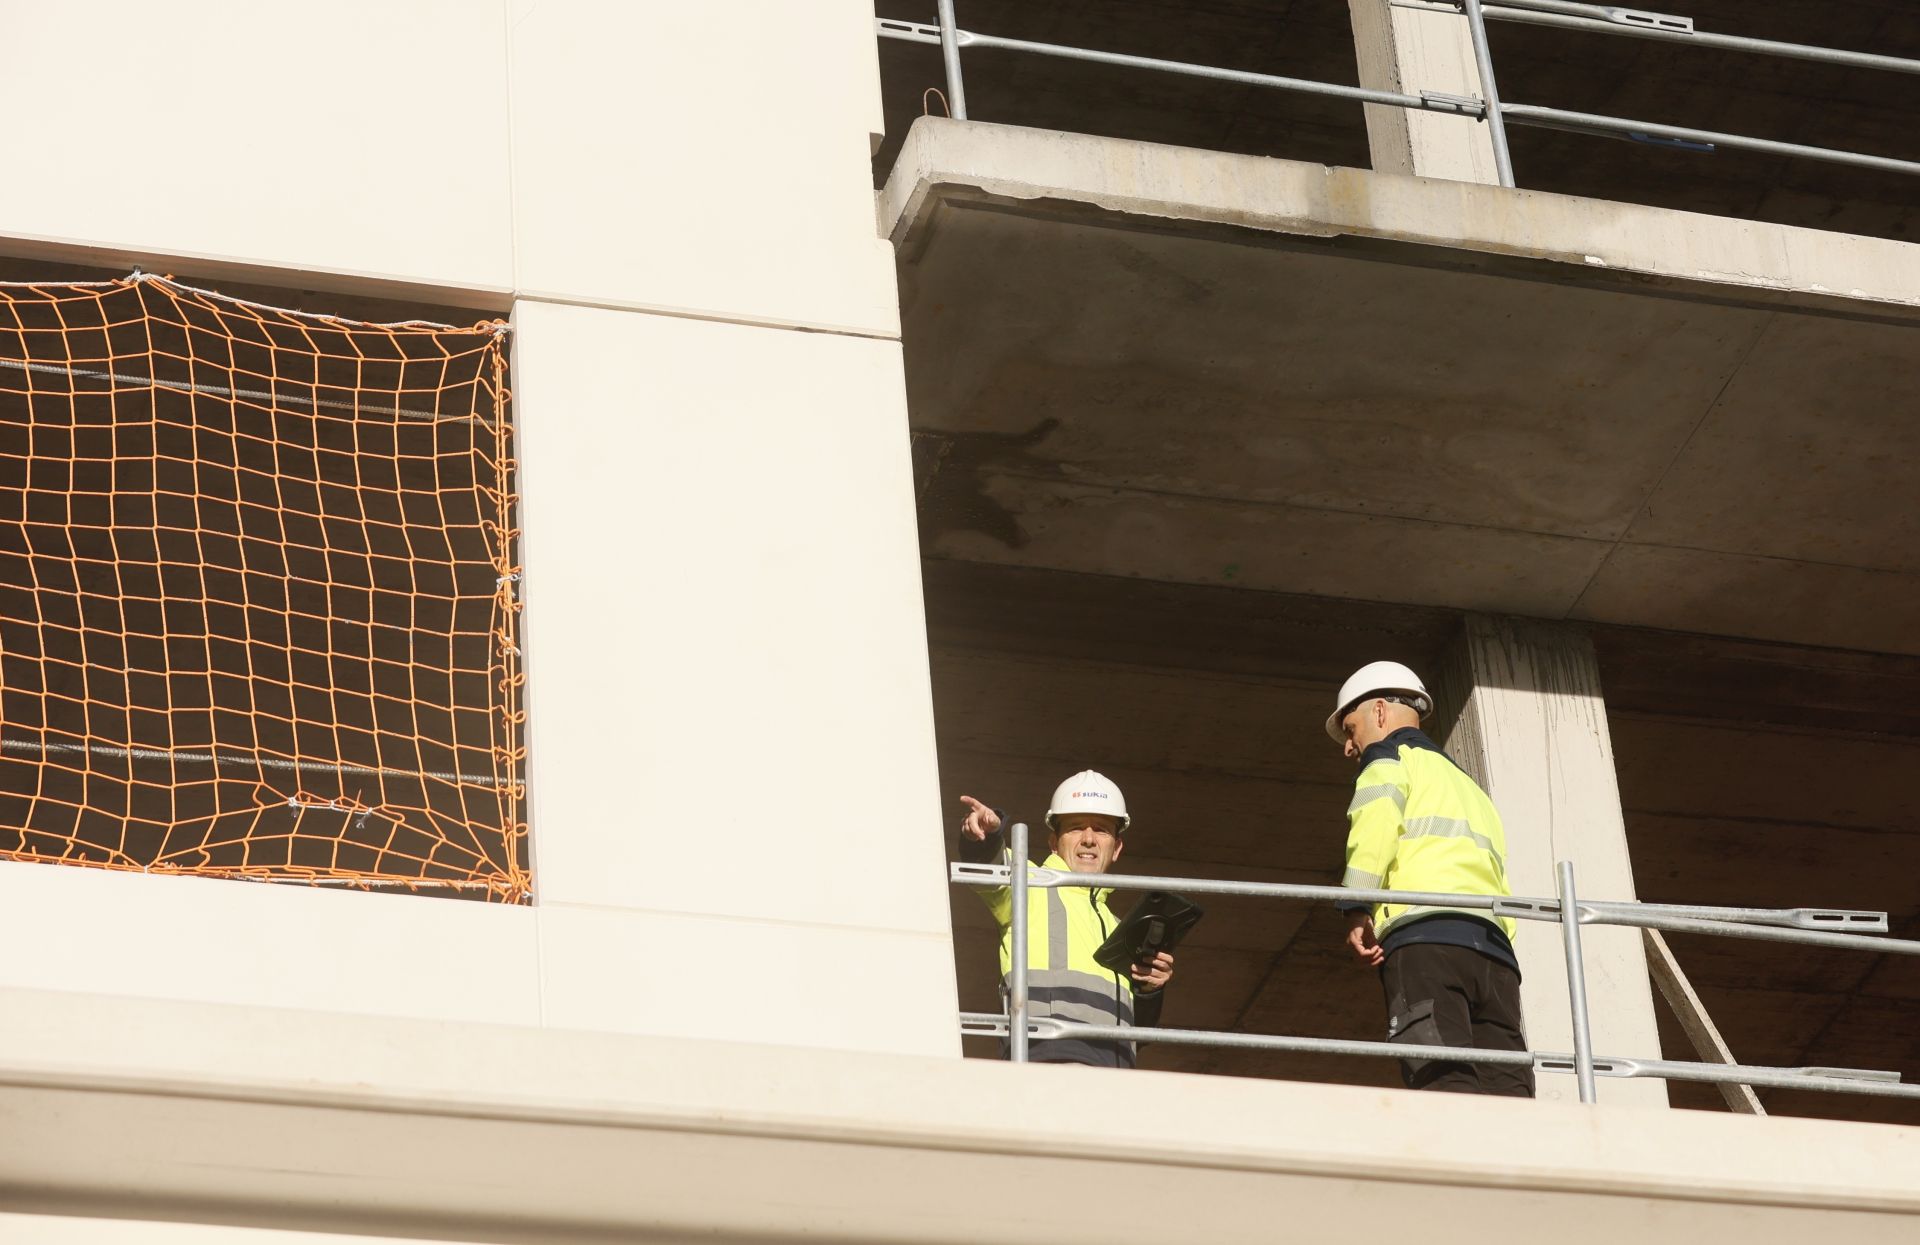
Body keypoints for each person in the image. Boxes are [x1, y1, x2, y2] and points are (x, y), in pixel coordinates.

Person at [1327, 662, 1533, 1097]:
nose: (1349, 746)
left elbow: (1374, 830)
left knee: (1442, 1083)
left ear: (1380, 712)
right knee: (1509, 1098)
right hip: (1495, 957)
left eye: (1350, 728)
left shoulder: (1387, 760)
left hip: (1425, 942)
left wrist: (1356, 907)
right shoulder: (1468, 785)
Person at [957, 770, 1174, 1067]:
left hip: (1115, 1074)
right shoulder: (1030, 885)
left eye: (1100, 829)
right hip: (1047, 1060)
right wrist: (984, 837)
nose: (1088, 839)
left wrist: (1150, 991)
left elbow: (1140, 1033)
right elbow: (990, 869)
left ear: (1117, 848)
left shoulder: (1120, 928)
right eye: (1075, 828)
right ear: (1053, 842)